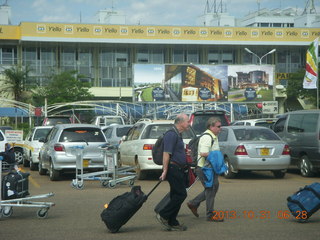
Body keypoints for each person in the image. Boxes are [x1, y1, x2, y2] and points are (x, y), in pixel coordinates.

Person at [156, 113, 190, 231]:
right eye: (187, 121)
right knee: (181, 194)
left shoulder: (177, 134)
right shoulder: (171, 134)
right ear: (180, 122)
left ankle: (173, 221)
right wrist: (165, 171)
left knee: (176, 194)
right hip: (173, 168)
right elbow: (166, 153)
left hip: (178, 168)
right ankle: (164, 214)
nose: (189, 124)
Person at [186, 117, 224, 222]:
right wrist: (217, 156)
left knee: (212, 188)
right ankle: (210, 214)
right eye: (218, 126)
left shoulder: (213, 136)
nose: (220, 129)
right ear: (211, 127)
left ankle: (193, 203)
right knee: (211, 190)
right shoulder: (208, 137)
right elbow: (203, 153)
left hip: (209, 168)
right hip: (205, 169)